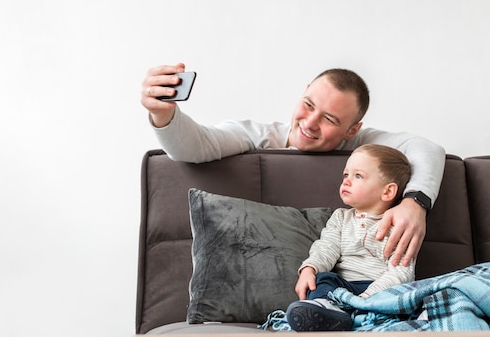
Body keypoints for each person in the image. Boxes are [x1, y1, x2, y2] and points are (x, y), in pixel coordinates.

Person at [141, 63, 446, 267]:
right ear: (304, 91)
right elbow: (195, 146)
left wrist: (415, 203)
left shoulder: (360, 146)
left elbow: (426, 148)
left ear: (352, 130)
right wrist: (163, 114)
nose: (310, 123)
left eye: (329, 119)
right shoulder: (260, 135)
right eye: (308, 105)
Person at [286, 144, 415, 331]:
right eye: (346, 175)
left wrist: (369, 297)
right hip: (342, 288)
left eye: (358, 176)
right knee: (323, 279)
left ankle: (361, 315)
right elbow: (326, 247)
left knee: (407, 293)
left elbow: (401, 272)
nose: (346, 181)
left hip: (379, 288)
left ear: (387, 192)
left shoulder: (399, 224)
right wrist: (309, 268)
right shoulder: (341, 217)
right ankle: (326, 310)